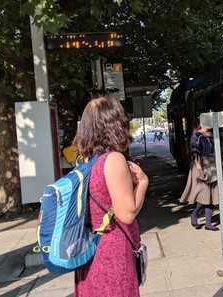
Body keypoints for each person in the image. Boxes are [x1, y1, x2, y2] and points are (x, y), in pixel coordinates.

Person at [73, 96, 149, 297]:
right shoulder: (113, 160)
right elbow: (127, 213)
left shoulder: (85, 161)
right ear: (115, 124)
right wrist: (142, 182)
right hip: (111, 252)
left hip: (89, 252)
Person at [179, 120, 219, 231]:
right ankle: (194, 214)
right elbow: (195, 153)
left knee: (212, 195)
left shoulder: (212, 135)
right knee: (203, 194)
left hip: (212, 166)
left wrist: (220, 168)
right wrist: (200, 170)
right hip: (200, 166)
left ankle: (208, 223)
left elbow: (217, 152)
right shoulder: (196, 135)